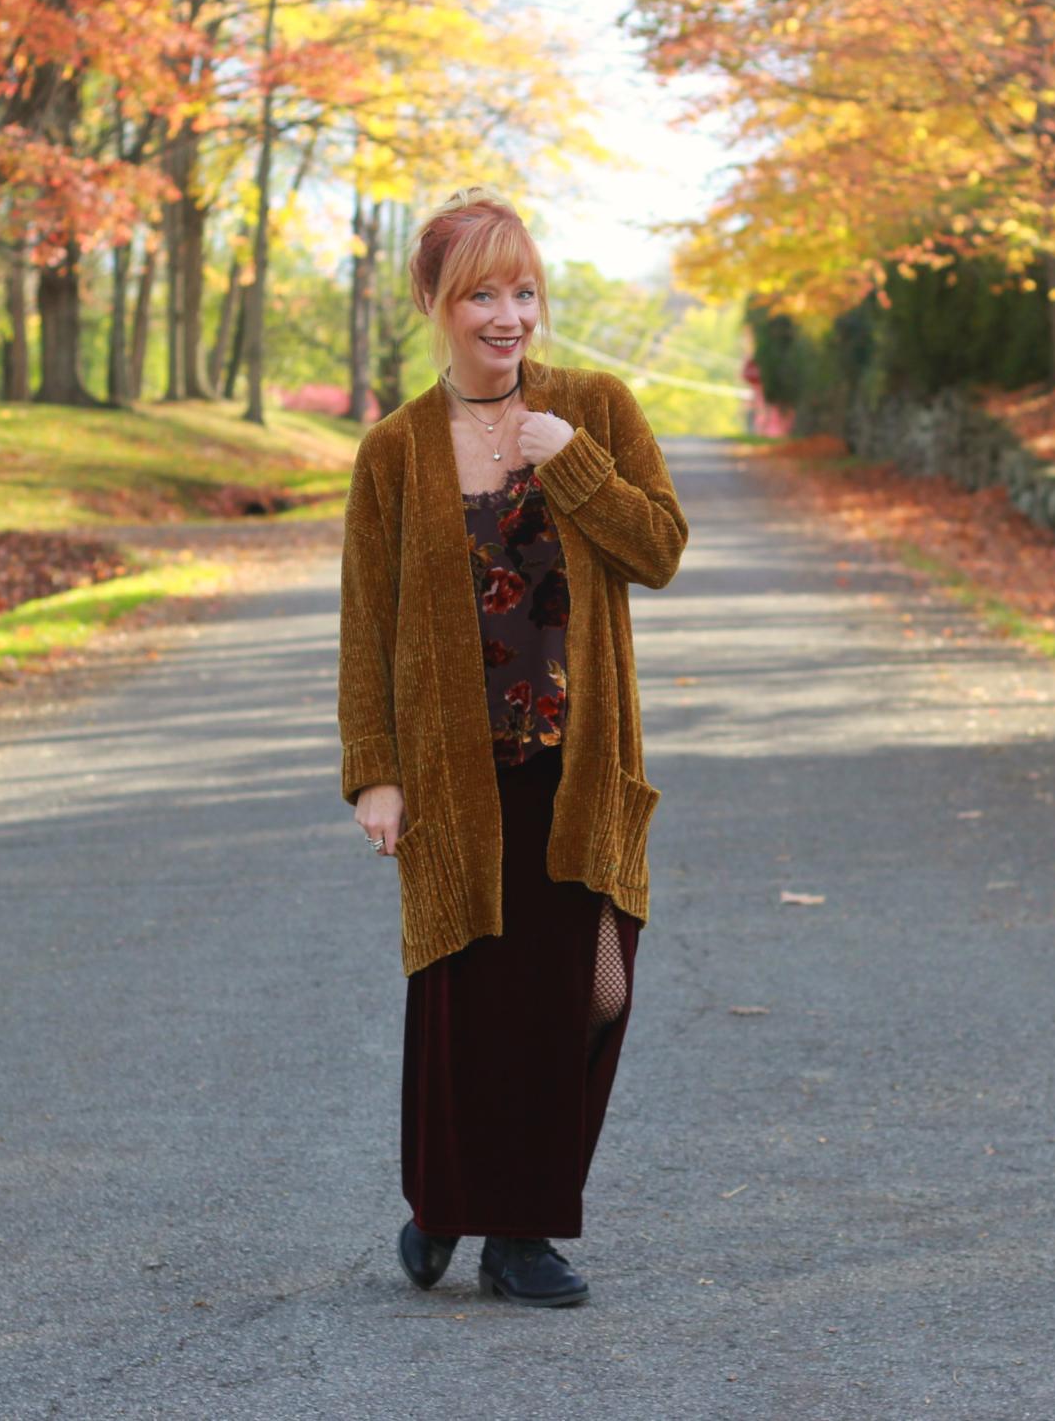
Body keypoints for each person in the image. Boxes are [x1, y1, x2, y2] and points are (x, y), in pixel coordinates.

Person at [336, 186, 689, 1308]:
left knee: (592, 989)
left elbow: (662, 548)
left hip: (579, 763)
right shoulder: (394, 453)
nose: (508, 315)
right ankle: (473, 1213)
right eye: (481, 293)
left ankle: (514, 1213)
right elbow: (368, 623)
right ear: (435, 305)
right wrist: (376, 771)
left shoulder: (594, 407)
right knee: (467, 1003)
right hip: (456, 774)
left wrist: (570, 460)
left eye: (523, 290)